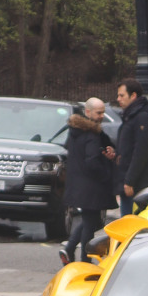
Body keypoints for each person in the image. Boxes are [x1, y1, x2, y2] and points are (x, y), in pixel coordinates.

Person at [61, 98, 115, 263]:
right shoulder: (92, 135)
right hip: (91, 186)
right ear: (88, 112)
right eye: (99, 113)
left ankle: (69, 249)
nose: (102, 116)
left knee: (89, 221)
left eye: (103, 112)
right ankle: (85, 260)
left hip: (77, 184)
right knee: (91, 225)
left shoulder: (75, 131)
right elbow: (92, 162)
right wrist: (106, 173)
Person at [114, 78, 148, 204]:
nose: (118, 99)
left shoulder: (142, 117)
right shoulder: (130, 116)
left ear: (133, 95)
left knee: (132, 220)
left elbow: (141, 151)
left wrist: (130, 180)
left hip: (138, 184)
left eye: (122, 95)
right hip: (129, 181)